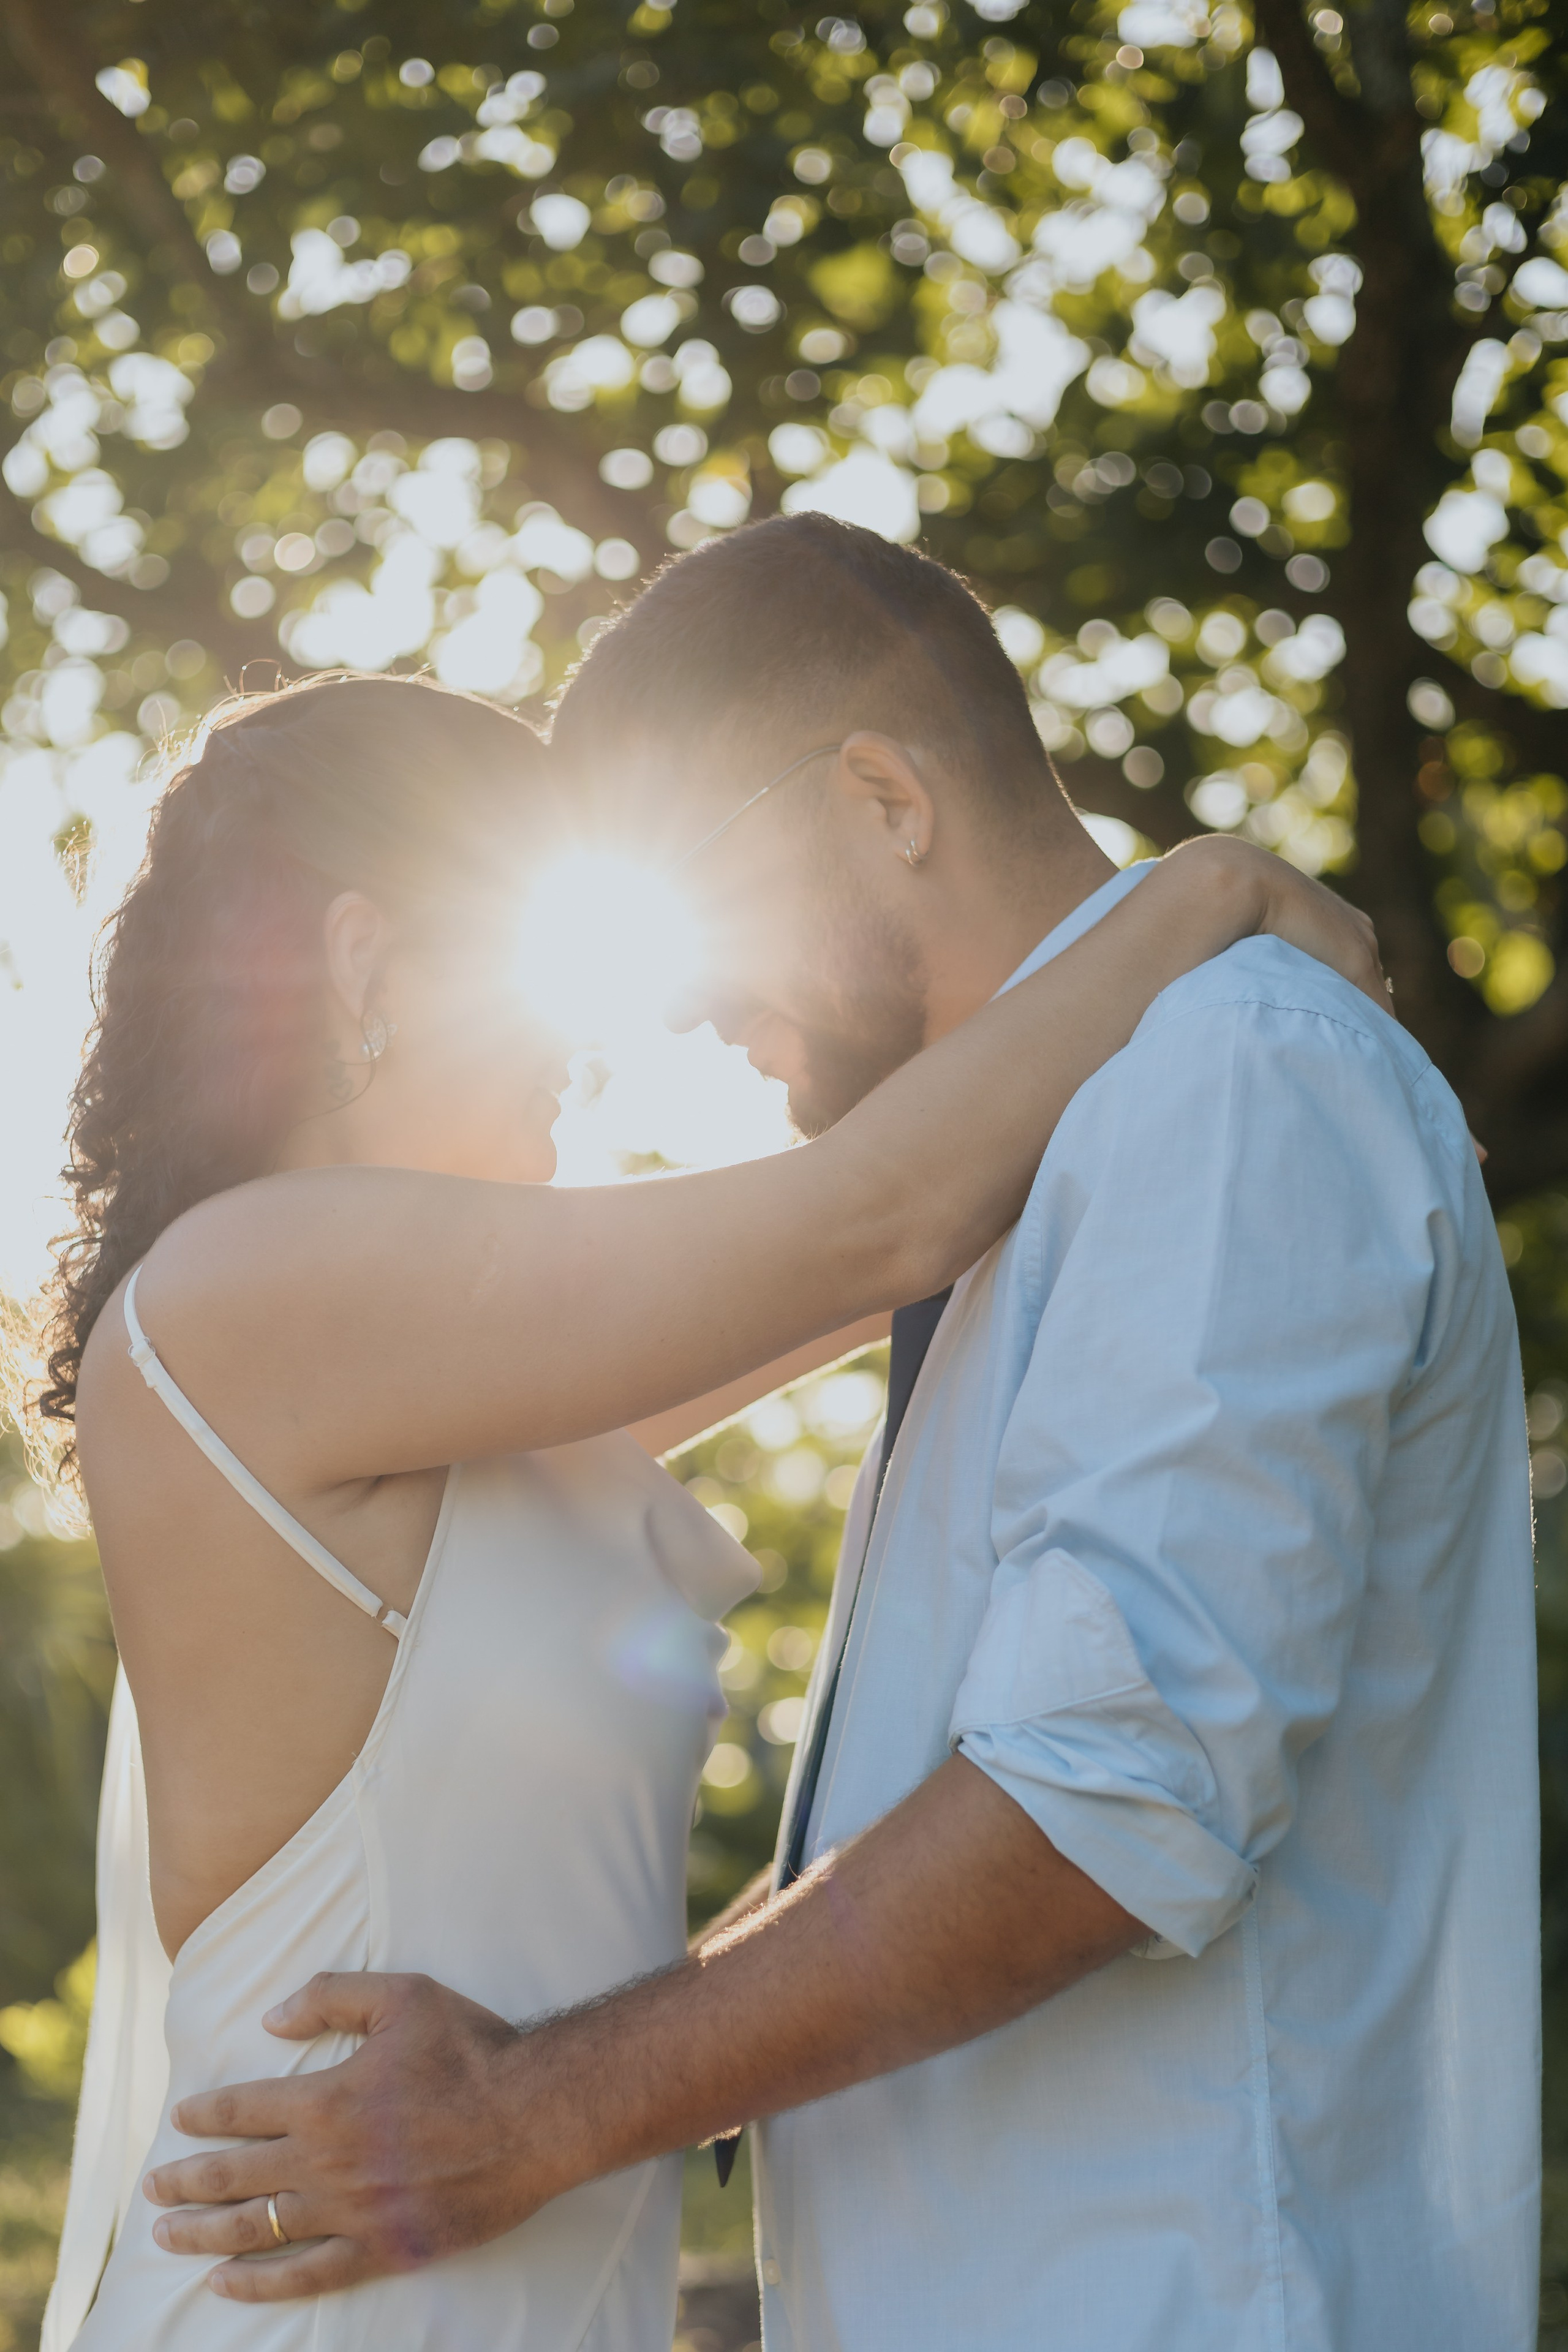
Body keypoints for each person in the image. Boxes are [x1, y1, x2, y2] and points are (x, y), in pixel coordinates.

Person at [137, 525, 1535, 2351]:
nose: (666, 1007)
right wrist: (1194, 893)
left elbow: (1101, 1806)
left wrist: (538, 2107)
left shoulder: (1227, 1074)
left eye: (692, 907)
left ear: (883, 798)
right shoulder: (1010, 1183)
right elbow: (864, 1219)